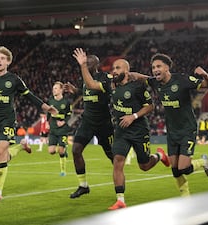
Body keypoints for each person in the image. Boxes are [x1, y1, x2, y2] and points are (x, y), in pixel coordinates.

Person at [72, 48, 169, 210]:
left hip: (139, 130)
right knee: (117, 162)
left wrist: (134, 116)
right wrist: (82, 65)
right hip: (121, 130)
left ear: (126, 70)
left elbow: (150, 106)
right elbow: (90, 84)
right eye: (113, 68)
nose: (114, 71)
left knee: (144, 165)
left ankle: (160, 155)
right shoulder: (110, 85)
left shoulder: (138, 86)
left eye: (118, 68)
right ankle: (120, 200)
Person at [0, 46, 58, 202]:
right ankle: (20, 146)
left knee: (0, 151)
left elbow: (30, 96)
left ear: (8, 62)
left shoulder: (14, 80)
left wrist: (45, 107)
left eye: (3, 58)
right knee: (3, 155)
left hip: (8, 120)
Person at [132, 53, 208, 197]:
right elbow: (141, 77)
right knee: (175, 170)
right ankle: (185, 197)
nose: (155, 69)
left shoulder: (182, 80)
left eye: (158, 66)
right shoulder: (155, 82)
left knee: (184, 168)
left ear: (167, 68)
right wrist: (126, 73)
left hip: (187, 129)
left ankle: (202, 161)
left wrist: (205, 74)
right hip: (172, 131)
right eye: (153, 67)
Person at [66, 50, 114, 198]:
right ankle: (83, 185)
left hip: (103, 123)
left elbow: (92, 85)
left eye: (89, 62)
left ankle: (119, 182)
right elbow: (86, 90)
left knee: (112, 156)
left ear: (97, 65)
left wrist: (82, 66)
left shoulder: (104, 77)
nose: (86, 64)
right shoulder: (85, 80)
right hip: (87, 122)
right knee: (75, 150)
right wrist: (76, 91)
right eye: (86, 62)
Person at [47, 81, 71, 176]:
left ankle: (63, 171)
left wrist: (64, 121)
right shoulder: (50, 101)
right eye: (53, 88)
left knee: (61, 151)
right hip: (53, 128)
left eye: (56, 88)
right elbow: (48, 113)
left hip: (62, 129)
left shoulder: (66, 102)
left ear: (61, 90)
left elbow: (69, 115)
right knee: (51, 151)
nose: (54, 90)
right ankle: (63, 149)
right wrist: (47, 122)